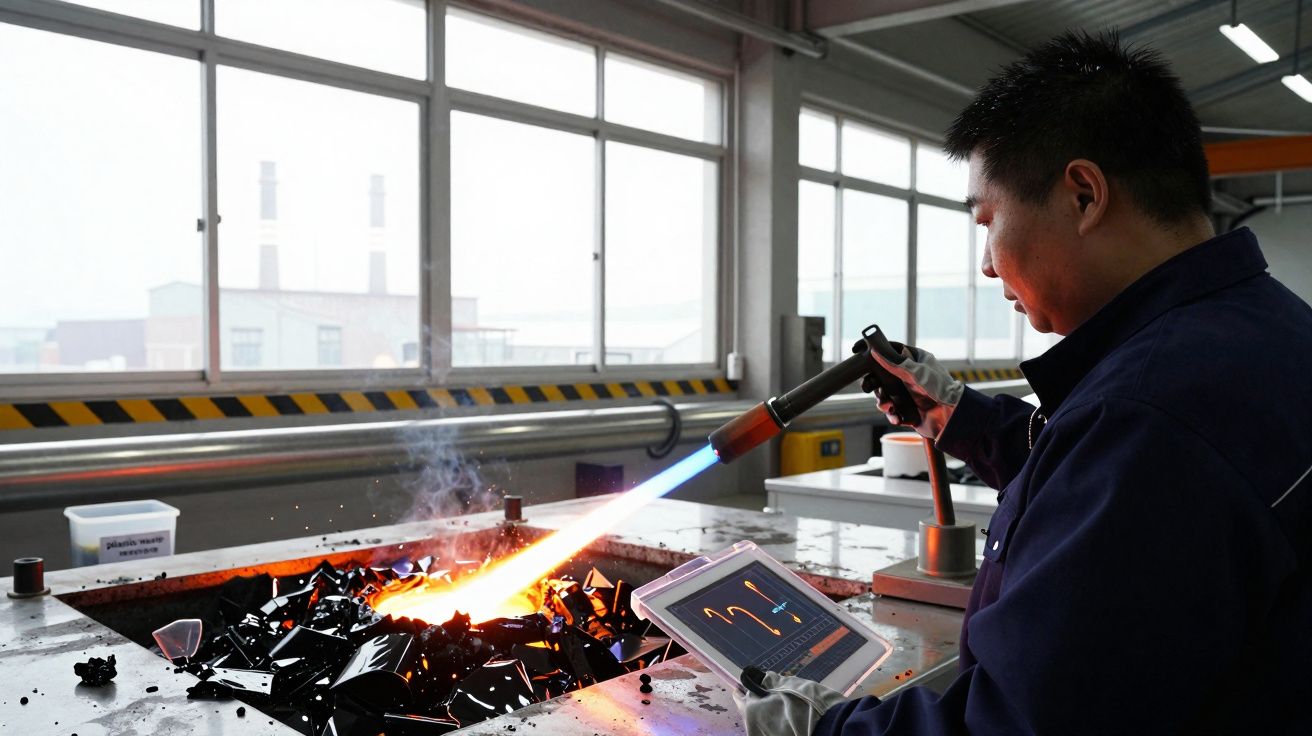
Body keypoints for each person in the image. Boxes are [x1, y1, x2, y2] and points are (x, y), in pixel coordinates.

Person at [739, 30, 1312, 735]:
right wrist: (962, 417)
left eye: (988, 221)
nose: (986, 263)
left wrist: (822, 729)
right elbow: (1103, 489)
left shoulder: (1149, 415)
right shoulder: (1263, 330)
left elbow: (1019, 723)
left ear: (1083, 195)